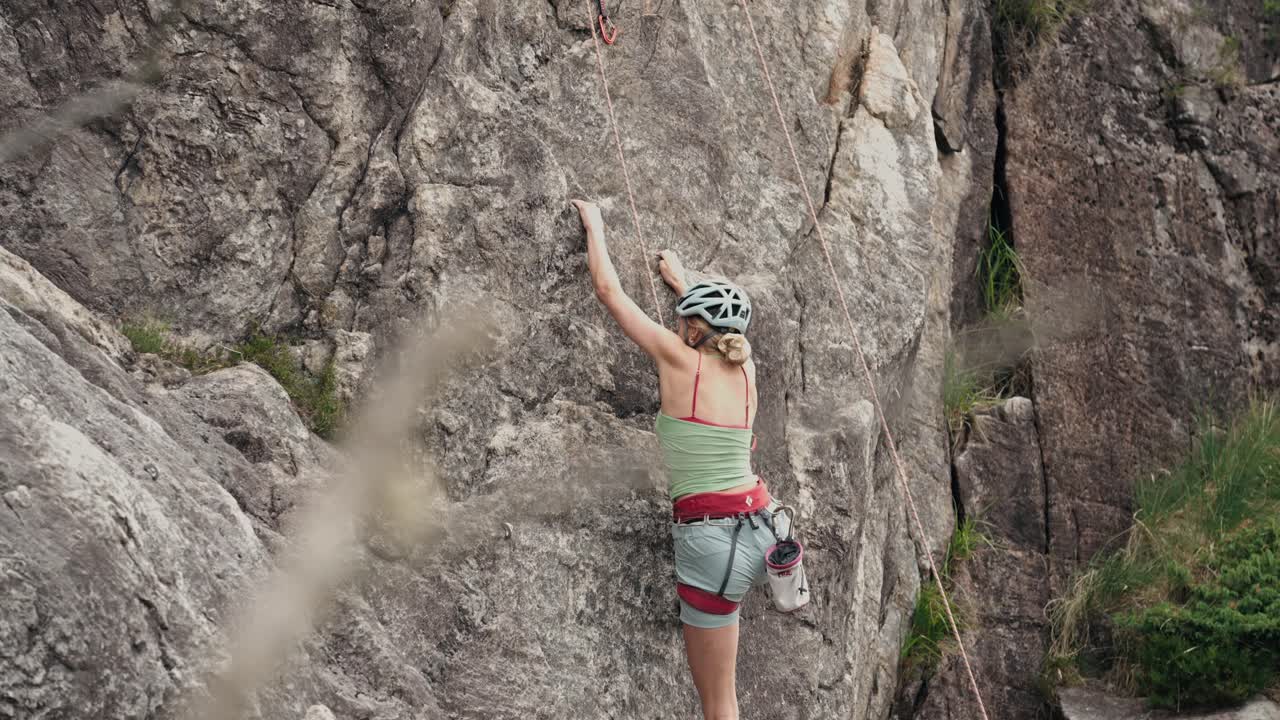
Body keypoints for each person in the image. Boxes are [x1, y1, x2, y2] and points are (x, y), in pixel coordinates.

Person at [572, 199, 792, 720]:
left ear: (693, 331)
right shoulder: (747, 372)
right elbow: (721, 336)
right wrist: (682, 280)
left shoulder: (678, 359)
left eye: (684, 319)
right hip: (765, 527)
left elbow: (609, 291)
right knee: (726, 700)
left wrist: (595, 225)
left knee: (718, 706)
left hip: (712, 543)